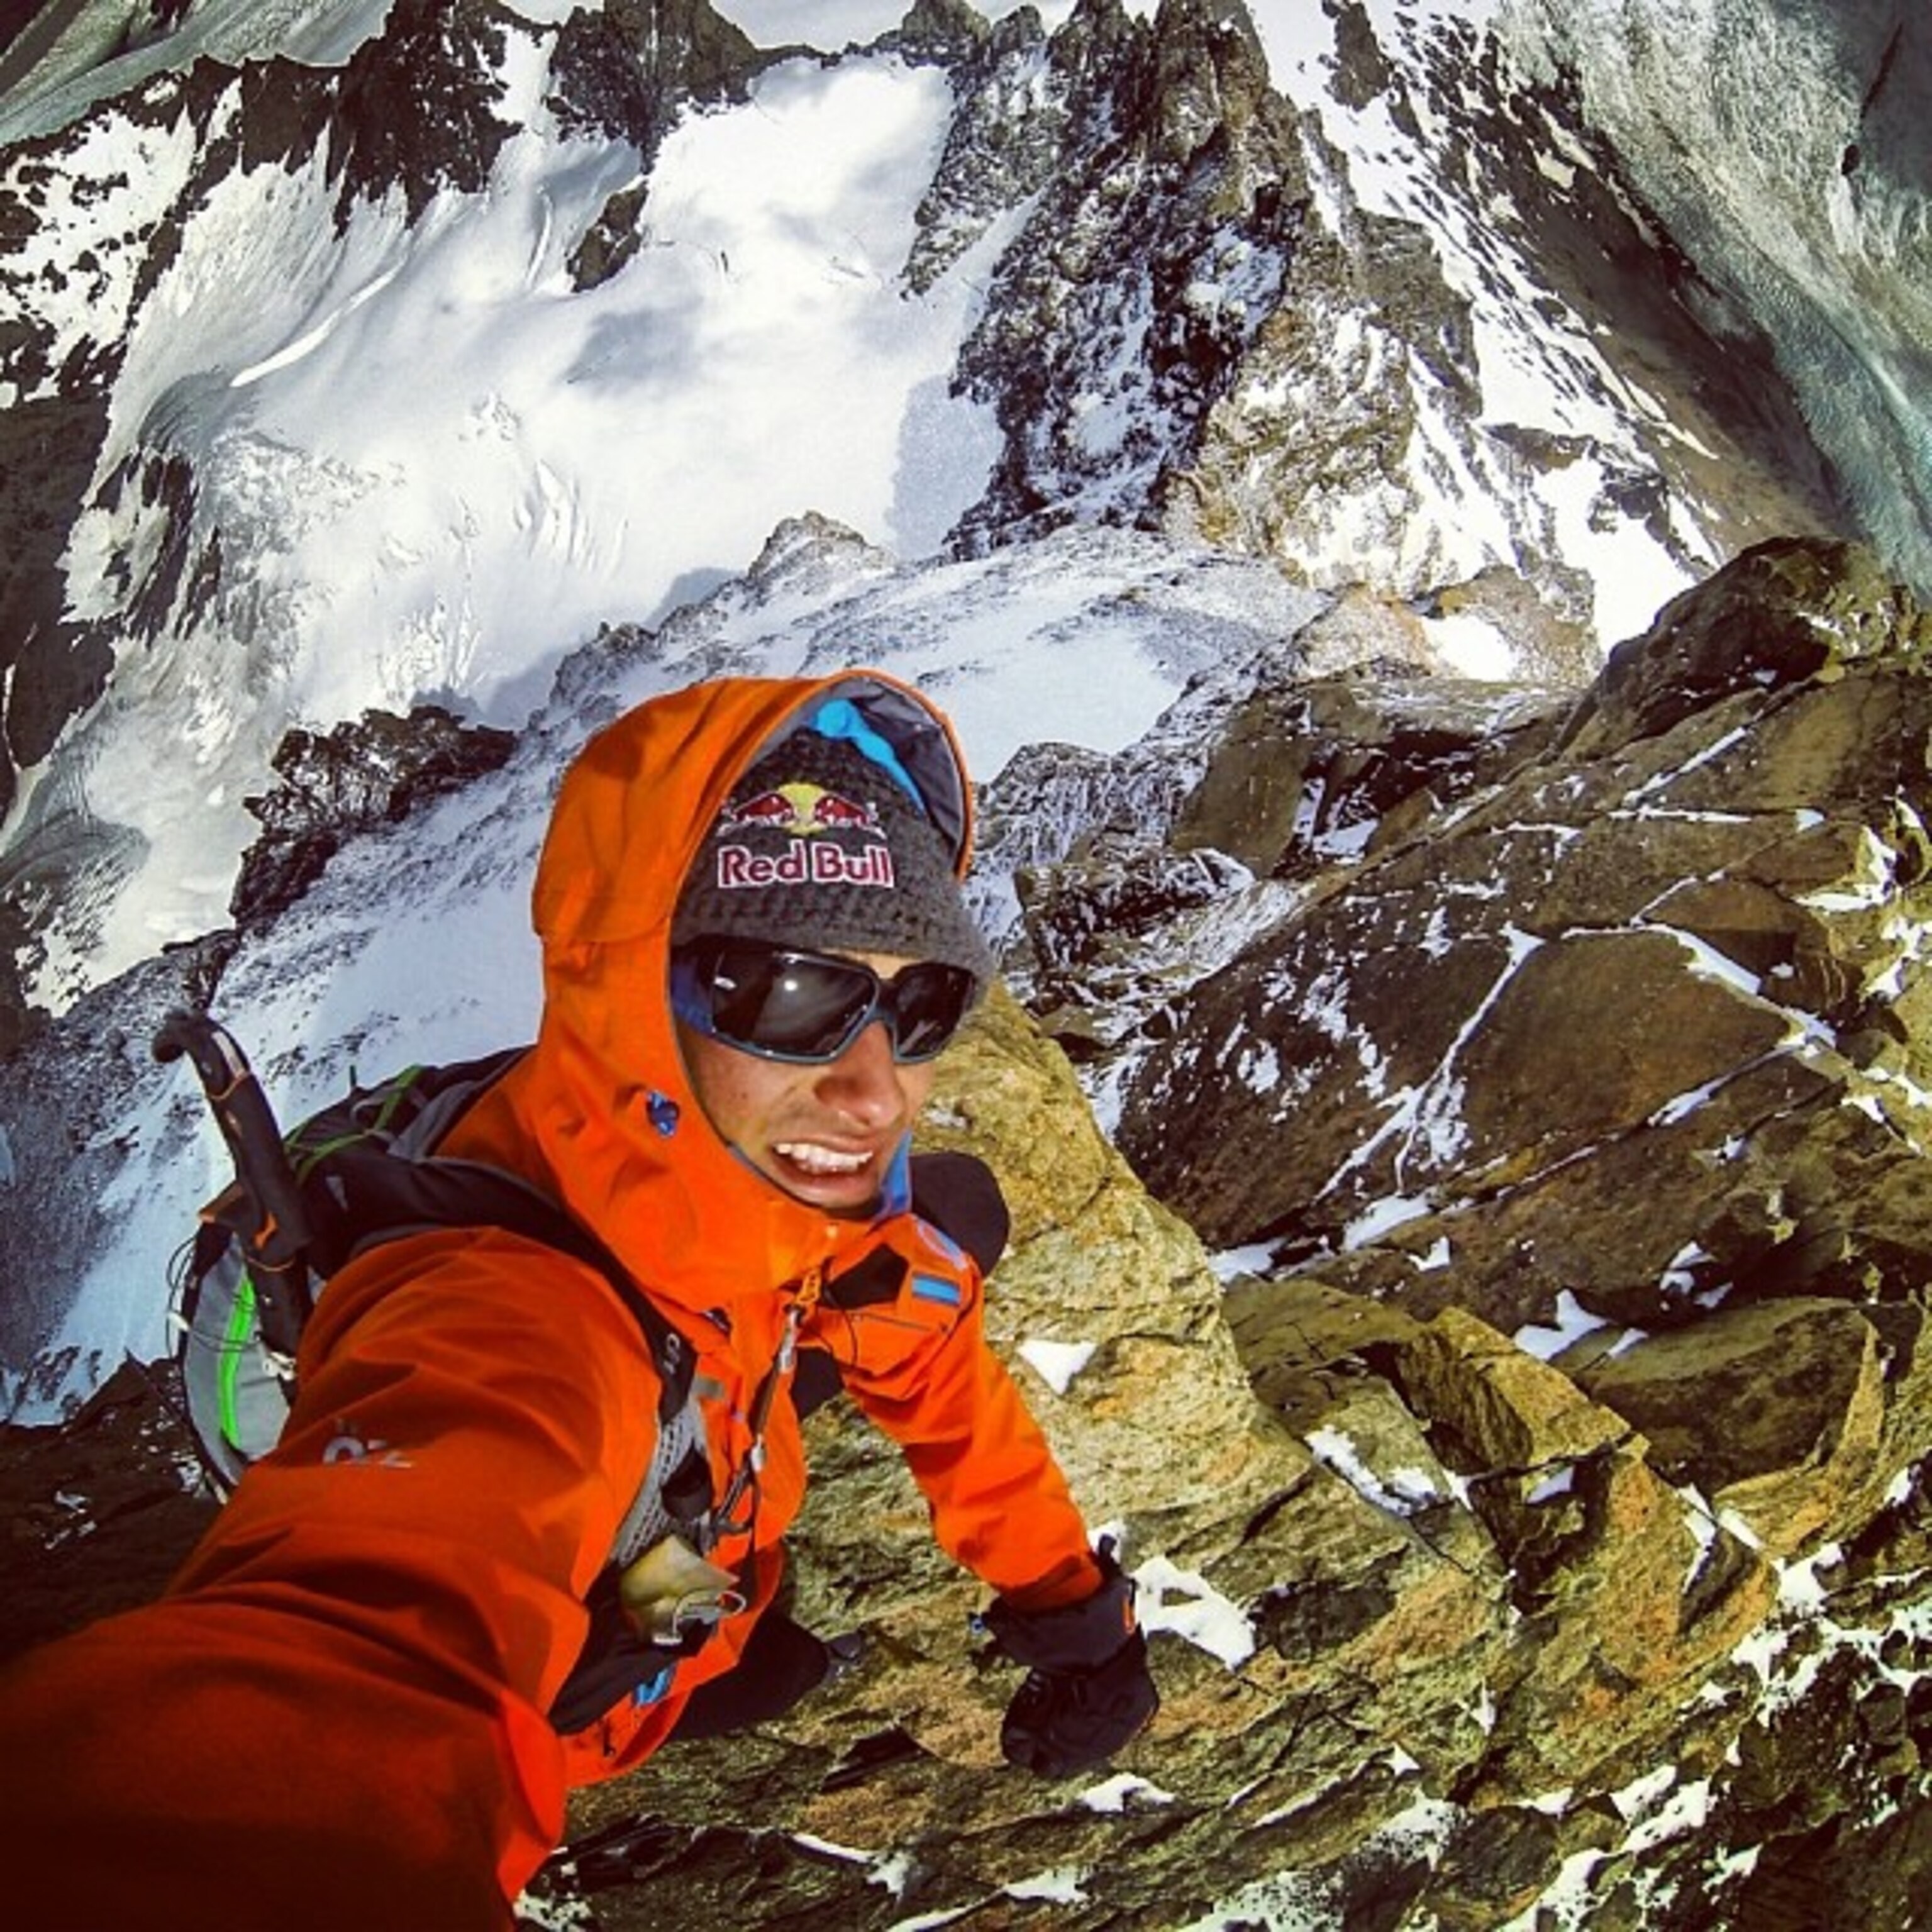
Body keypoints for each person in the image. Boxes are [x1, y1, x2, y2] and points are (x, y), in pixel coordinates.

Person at [0, 670, 1157, 1928]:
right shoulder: (507, 1326)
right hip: (601, 1651)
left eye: (917, 1004)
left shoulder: (768, 1199)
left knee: (952, 1223)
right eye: (791, 993)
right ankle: (685, 1662)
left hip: (689, 1457)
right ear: (641, 990)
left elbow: (918, 1334)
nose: (876, 1092)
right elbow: (342, 1691)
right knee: (737, 1647)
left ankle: (714, 1627)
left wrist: (1072, 1606)